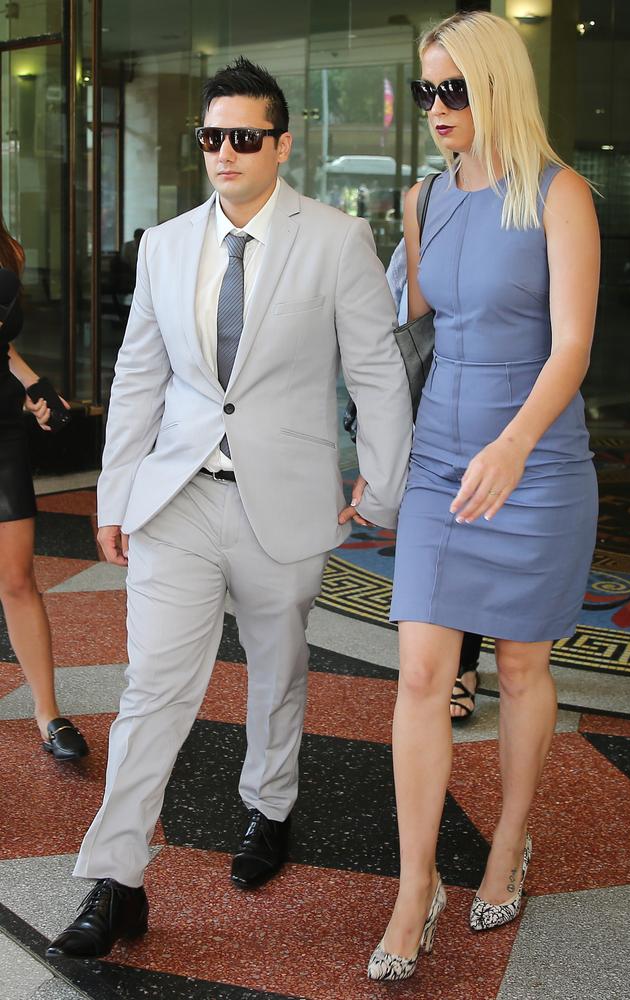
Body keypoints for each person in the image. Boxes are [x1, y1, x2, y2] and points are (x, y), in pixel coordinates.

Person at [47, 56, 412, 960]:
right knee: (151, 691)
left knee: (276, 675)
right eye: (213, 137)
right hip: (178, 501)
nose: (225, 153)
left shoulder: (334, 240)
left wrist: (385, 478)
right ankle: (117, 879)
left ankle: (270, 808)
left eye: (245, 137)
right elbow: (139, 378)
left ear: (282, 144)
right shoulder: (166, 244)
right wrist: (116, 494)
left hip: (283, 504)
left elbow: (374, 368)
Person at [368, 10, 599, 982]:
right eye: (425, 90)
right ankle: (413, 884)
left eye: (453, 88)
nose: (435, 108)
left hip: (533, 459)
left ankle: (508, 839)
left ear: (497, 86)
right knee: (420, 673)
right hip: (438, 457)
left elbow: (574, 346)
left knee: (515, 670)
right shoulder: (426, 197)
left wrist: (511, 444)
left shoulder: (559, 193)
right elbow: (409, 312)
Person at [347, 234, 483, 721]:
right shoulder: (424, 215)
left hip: (496, 409)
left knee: (475, 539)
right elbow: (395, 349)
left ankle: (465, 665)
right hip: (430, 410)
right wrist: (377, 454)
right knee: (436, 548)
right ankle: (450, 667)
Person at [0, 217, 89, 761]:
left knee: (17, 578)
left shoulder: (8, 248)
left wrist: (34, 384)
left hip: (2, 429)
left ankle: (48, 712)